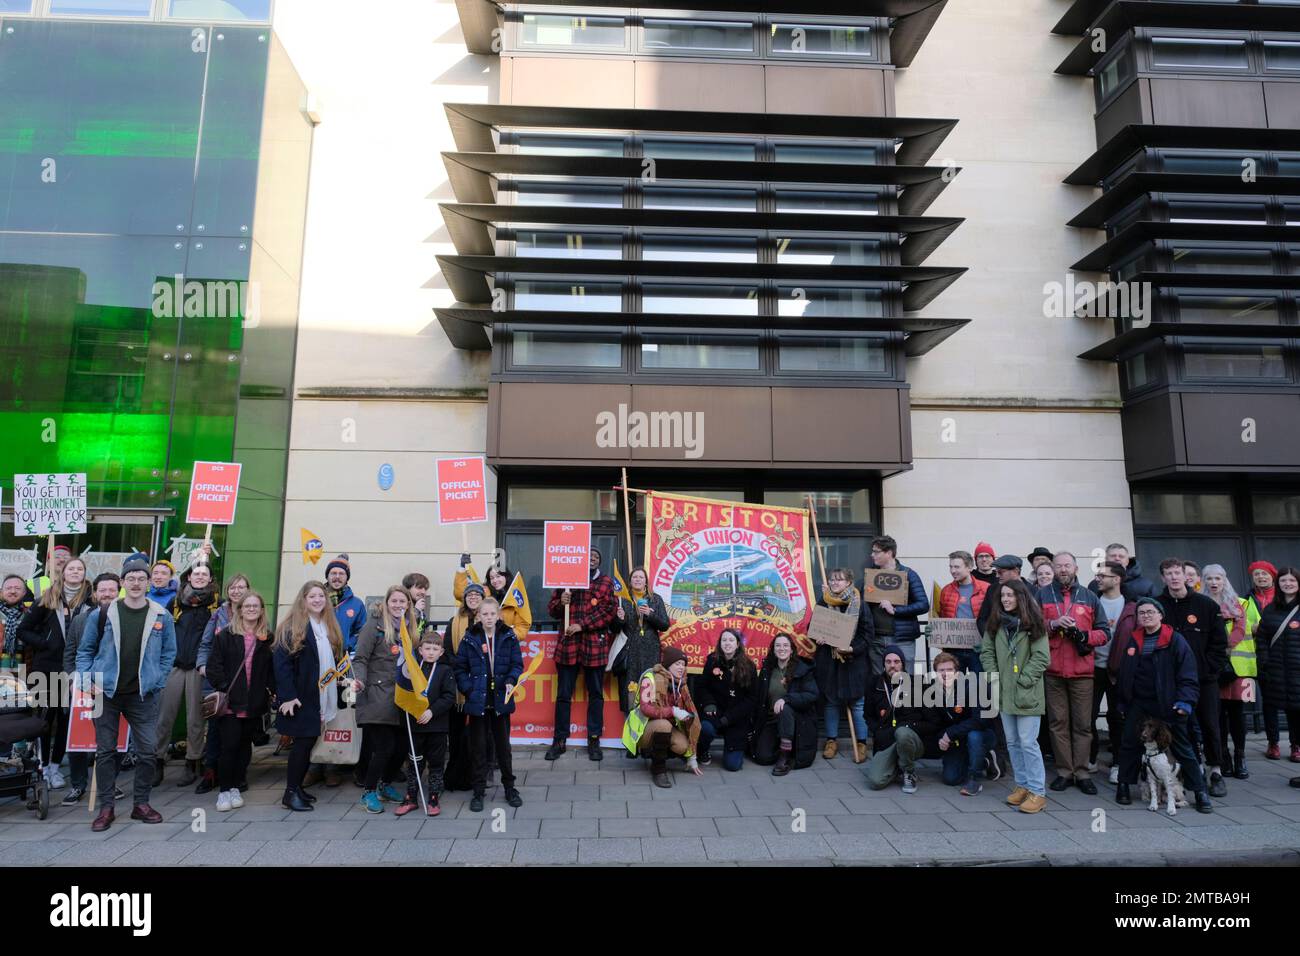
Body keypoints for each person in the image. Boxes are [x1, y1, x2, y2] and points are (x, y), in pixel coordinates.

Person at [76, 557, 177, 832]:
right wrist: (87, 681)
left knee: (147, 752)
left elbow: (169, 653)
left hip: (143, 695)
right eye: (130, 578)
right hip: (105, 693)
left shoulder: (161, 615)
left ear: (148, 582)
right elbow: (84, 652)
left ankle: (141, 804)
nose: (135, 583)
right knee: (106, 751)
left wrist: (158, 679)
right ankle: (106, 808)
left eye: (141, 578)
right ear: (122, 583)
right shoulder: (103, 614)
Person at [1114, 598, 1213, 813]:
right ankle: (1123, 785)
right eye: (1142, 613)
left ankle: (1200, 791)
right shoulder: (1133, 641)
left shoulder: (1175, 640)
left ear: (1161, 615)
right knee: (1129, 743)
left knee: (1183, 747)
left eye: (1150, 612)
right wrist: (1124, 702)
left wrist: (1185, 702)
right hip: (1139, 703)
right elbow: (1125, 674)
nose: (1146, 616)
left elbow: (1188, 674)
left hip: (1169, 704)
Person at [16, 555, 94, 791]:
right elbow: (23, 630)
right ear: (63, 572)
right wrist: (45, 642)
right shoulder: (47, 599)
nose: (75, 572)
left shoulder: (89, 602)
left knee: (66, 720)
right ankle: (42, 765)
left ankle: (56, 767)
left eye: (79, 569)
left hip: (75, 669)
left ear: (83, 573)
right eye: (71, 568)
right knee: (44, 719)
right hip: (47, 668)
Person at [1156, 558, 1229, 797]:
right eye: (1169, 574)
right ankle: (1189, 768)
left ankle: (1215, 770)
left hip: (1204, 679)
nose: (1174, 577)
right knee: (1179, 726)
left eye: (1178, 573)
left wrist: (1210, 669)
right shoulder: (1158, 605)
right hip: (1172, 681)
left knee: (1210, 725)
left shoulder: (1205, 605)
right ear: (1163, 578)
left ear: (1186, 576)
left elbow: (1220, 644)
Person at [1038, 552, 1110, 795]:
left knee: (1082, 725)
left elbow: (1104, 633)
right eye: (1058, 566)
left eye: (1067, 565)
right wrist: (1052, 625)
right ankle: (1064, 772)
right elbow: (1032, 628)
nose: (1063, 569)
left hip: (1082, 671)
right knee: (1058, 724)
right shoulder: (1042, 594)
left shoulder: (1089, 597)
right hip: (1053, 670)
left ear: (1076, 567)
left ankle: (1081, 772)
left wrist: (1083, 635)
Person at [273, 581, 346, 812]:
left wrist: (343, 679)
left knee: (310, 742)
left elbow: (330, 660)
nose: (317, 600)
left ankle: (297, 788)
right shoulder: (292, 626)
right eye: (312, 596)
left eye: (321, 596)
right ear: (303, 600)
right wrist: (287, 696)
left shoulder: (326, 625)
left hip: (321, 694)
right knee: (302, 745)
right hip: (300, 697)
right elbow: (281, 665)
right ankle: (290, 792)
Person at [980, 580, 1050, 813]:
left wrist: (1024, 680)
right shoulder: (996, 624)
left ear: (1021, 597)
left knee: (1028, 742)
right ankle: (1022, 786)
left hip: (1027, 692)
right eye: (1003, 596)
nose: (1006, 600)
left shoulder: (1034, 625)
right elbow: (987, 652)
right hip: (1004, 692)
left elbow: (1041, 657)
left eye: (1011, 595)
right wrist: (993, 677)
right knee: (1012, 742)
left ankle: (1038, 792)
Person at [546, 546, 618, 761]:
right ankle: (559, 740)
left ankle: (594, 739)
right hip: (568, 646)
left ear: (599, 562)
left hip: (594, 645)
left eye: (596, 556)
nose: (592, 559)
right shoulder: (565, 581)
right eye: (589, 556)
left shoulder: (606, 582)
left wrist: (582, 625)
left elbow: (608, 611)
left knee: (596, 694)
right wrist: (562, 602)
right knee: (563, 695)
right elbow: (552, 609)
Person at [205, 590, 273, 813]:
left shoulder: (266, 638)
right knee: (229, 747)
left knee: (245, 748)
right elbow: (214, 667)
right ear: (239, 609)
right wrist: (227, 689)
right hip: (231, 703)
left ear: (262, 610)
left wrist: (273, 693)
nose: (252, 609)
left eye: (256, 606)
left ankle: (236, 786)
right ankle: (224, 791)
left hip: (253, 703)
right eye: (247, 606)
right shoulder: (225, 635)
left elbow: (270, 672)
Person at [454, 596, 524, 812]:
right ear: (479, 616)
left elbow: (516, 664)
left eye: (493, 614)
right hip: (478, 701)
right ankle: (478, 791)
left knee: (503, 748)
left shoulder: (508, 635)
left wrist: (511, 680)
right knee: (479, 748)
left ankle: (510, 787)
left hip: (500, 700)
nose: (489, 617)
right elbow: (460, 668)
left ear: (498, 615)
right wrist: (469, 689)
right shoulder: (470, 638)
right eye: (485, 614)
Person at [352, 585, 417, 813]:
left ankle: (385, 783)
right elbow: (360, 658)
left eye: (403, 601)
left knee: (401, 748)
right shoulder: (374, 625)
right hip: (377, 695)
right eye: (395, 601)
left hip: (402, 696)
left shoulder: (411, 627)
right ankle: (369, 791)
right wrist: (359, 680)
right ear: (387, 602)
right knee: (384, 747)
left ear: (408, 604)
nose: (399, 605)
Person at [153, 562, 218, 787]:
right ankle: (158, 760)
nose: (200, 577)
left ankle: (192, 761)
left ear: (210, 579)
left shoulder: (216, 604)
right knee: (164, 716)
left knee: (195, 719)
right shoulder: (176, 601)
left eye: (204, 574)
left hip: (199, 667)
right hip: (174, 664)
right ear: (188, 577)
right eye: (196, 573)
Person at [60, 573, 121, 805]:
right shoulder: (81, 620)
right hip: (84, 688)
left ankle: (108, 784)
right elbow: (70, 653)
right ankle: (78, 785)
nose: (107, 594)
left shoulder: (127, 619)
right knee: (78, 738)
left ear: (119, 591)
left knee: (115, 739)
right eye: (102, 590)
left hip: (114, 689)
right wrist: (73, 679)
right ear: (95, 593)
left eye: (111, 590)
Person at [195, 574, 251, 794]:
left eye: (241, 587)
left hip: (243, 683)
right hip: (217, 682)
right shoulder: (219, 613)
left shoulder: (253, 611)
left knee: (242, 731)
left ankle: (239, 774)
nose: (237, 591)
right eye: (233, 587)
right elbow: (206, 643)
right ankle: (211, 773)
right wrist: (202, 666)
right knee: (216, 729)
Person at [621, 645, 703, 788]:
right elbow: (646, 709)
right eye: (677, 664)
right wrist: (673, 711)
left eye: (683, 665)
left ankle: (657, 753)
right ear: (668, 664)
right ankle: (658, 770)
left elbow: (692, 716)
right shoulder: (651, 678)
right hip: (644, 729)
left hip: (666, 727)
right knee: (663, 725)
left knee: (682, 746)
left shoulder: (681, 684)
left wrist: (692, 756)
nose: (681, 668)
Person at [394, 630, 456, 817]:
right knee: (414, 763)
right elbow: (404, 693)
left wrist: (431, 711)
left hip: (437, 726)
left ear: (441, 652)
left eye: (435, 649)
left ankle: (434, 797)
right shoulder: (411, 670)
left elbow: (449, 697)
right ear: (420, 650)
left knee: (436, 763)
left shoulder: (445, 671)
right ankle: (411, 797)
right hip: (415, 725)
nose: (430, 652)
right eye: (427, 648)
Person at [1204, 564, 1257, 780]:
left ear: (1225, 580)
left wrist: (1221, 646)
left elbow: (1242, 630)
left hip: (1241, 669)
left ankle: (1240, 757)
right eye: (1209, 578)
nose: (1214, 582)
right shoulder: (1202, 603)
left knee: (1238, 714)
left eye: (1218, 578)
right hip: (1214, 668)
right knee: (1217, 715)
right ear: (1203, 581)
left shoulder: (1241, 603)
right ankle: (1222, 755)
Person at [863, 644, 939, 794]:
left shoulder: (918, 684)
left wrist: (908, 728)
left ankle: (909, 772)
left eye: (897, 662)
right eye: (888, 662)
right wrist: (878, 732)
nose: (893, 666)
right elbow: (868, 716)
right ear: (883, 664)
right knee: (875, 782)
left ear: (903, 664)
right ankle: (897, 765)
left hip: (911, 739)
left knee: (902, 733)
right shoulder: (874, 684)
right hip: (887, 741)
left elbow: (933, 722)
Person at [816, 568, 870, 761]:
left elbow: (867, 635)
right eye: (832, 580)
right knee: (831, 703)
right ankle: (831, 741)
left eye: (839, 580)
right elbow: (813, 627)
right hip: (830, 662)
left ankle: (862, 743)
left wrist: (852, 648)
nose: (835, 583)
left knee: (857, 704)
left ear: (849, 582)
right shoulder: (824, 601)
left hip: (853, 663)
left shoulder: (859, 603)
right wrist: (819, 637)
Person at [1255, 568, 1300, 789]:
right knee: (1271, 707)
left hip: (1297, 670)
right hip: (1275, 669)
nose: (1288, 584)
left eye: (1292, 580)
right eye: (1284, 580)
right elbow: (1262, 638)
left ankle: (1295, 745)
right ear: (1278, 583)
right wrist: (1264, 661)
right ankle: (1273, 743)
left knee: (1296, 710)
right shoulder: (1271, 610)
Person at [751, 633, 818, 775]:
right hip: (771, 720)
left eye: (786, 645)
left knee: (785, 708)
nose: (782, 648)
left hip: (797, 721)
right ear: (773, 649)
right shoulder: (767, 669)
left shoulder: (802, 669)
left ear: (792, 649)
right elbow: (758, 698)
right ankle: (786, 746)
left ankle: (785, 756)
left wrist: (786, 699)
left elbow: (812, 695)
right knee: (762, 757)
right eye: (778, 645)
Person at [930, 651, 995, 795]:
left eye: (949, 670)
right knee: (951, 779)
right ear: (935, 672)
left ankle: (974, 779)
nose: (946, 674)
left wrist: (949, 733)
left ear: (957, 672)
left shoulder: (970, 686)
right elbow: (935, 723)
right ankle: (984, 761)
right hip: (957, 740)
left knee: (974, 736)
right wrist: (943, 737)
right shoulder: (933, 692)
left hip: (981, 734)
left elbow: (980, 720)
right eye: (941, 670)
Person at [614, 566, 670, 727]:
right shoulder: (623, 600)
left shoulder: (655, 599)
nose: (638, 579)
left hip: (650, 652)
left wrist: (650, 615)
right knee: (630, 695)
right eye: (634, 577)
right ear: (630, 582)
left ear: (646, 581)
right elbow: (615, 629)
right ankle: (631, 740)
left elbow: (665, 625)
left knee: (650, 694)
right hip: (630, 652)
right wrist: (619, 619)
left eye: (641, 577)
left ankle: (647, 738)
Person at [695, 628, 758, 771]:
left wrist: (729, 718)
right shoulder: (712, 660)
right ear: (720, 643)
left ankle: (741, 746)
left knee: (733, 766)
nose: (727, 643)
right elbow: (702, 687)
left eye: (731, 640)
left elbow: (751, 699)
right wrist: (708, 704)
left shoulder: (749, 666)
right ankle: (702, 750)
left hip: (736, 717)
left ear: (737, 644)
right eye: (724, 640)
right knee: (705, 728)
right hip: (715, 711)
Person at [442, 576, 484, 792]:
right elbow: (447, 651)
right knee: (456, 733)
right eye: (470, 594)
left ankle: (477, 775)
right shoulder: (454, 622)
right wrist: (462, 668)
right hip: (458, 683)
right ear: (464, 599)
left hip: (481, 683)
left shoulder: (488, 621)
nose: (473, 597)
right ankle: (455, 775)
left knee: (478, 733)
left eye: (477, 594)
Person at [1248, 560, 1292, 761]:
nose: (1261, 577)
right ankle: (1273, 742)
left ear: (1272, 576)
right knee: (1269, 702)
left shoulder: (1284, 599)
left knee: (1293, 702)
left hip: (1286, 656)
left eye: (1264, 574)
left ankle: (1295, 744)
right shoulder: (1246, 598)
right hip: (1256, 656)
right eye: (1256, 574)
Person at [867, 536, 929, 671]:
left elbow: (923, 604)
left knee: (905, 679)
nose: (872, 555)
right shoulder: (870, 575)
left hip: (902, 639)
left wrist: (896, 610)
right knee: (879, 682)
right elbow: (860, 603)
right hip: (876, 639)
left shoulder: (908, 574)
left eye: (876, 552)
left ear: (889, 553)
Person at [1090, 561, 1128, 780]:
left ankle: (1118, 763)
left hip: (1119, 669)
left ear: (1117, 579)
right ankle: (1091, 758)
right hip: (1094, 668)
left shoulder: (1129, 605)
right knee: (1089, 715)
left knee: (1117, 717)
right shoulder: (1093, 601)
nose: (1099, 578)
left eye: (1103, 575)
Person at [936, 551, 988, 673]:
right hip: (954, 650)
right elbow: (943, 618)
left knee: (980, 687)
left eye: (957, 567)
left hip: (978, 648)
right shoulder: (946, 591)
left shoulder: (986, 588)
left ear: (969, 567)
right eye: (951, 567)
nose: (953, 571)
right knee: (956, 687)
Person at [976, 555, 1029, 636]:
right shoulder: (992, 589)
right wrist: (991, 640)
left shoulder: (1032, 591)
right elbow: (982, 619)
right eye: (996, 572)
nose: (997, 576)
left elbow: (1036, 621)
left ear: (1016, 571)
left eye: (1000, 572)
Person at [1087, 543, 1156, 601]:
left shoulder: (1146, 585)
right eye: (1113, 556)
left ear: (1127, 561)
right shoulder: (1094, 585)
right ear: (1105, 559)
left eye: (1121, 556)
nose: (1117, 558)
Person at [1, 573, 31, 669]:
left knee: (19, 684)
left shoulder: (31, 613)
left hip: (23, 663)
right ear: (1, 592)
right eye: (8, 588)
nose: (13, 591)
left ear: (24, 592)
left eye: (17, 588)